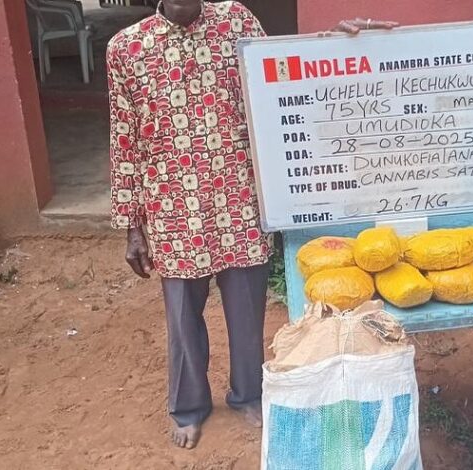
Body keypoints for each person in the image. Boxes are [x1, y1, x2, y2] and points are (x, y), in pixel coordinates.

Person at [107, 0, 396, 449]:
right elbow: (123, 139)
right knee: (183, 318)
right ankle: (188, 407)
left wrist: (330, 45)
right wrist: (132, 224)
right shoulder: (126, 48)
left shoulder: (236, 21)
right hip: (172, 206)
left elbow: (277, 74)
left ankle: (248, 395)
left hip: (239, 197)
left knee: (247, 310)